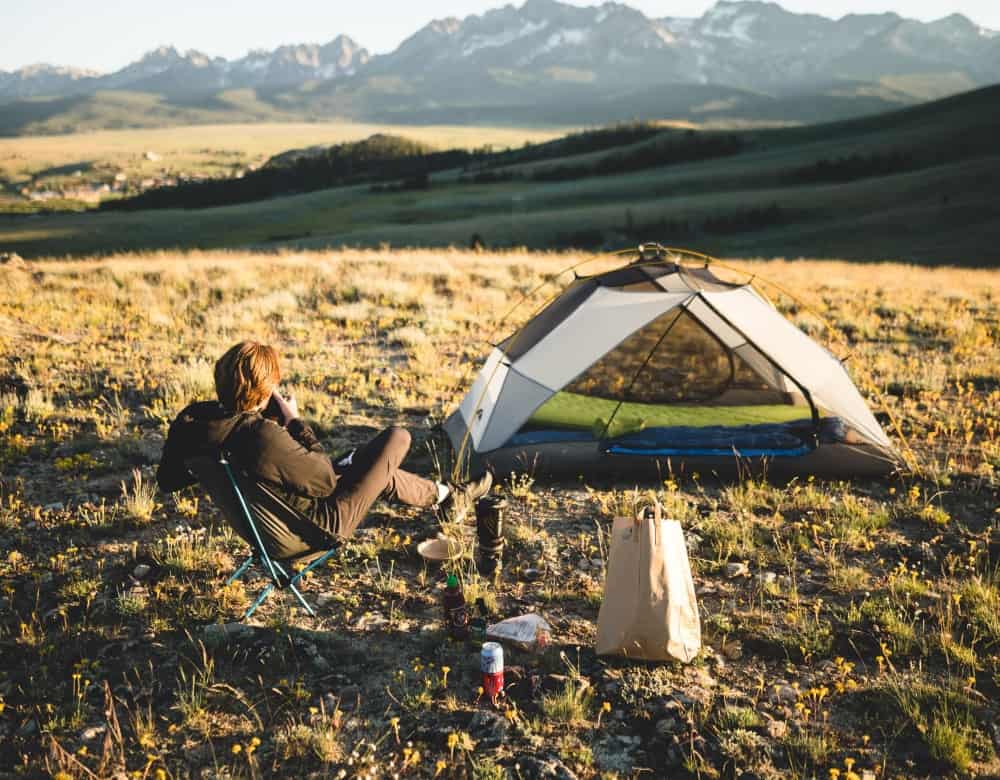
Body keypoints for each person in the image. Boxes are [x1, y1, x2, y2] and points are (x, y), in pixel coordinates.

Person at [157, 341, 492, 539]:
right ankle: (450, 497)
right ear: (262, 393)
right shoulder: (262, 437)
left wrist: (262, 420)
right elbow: (325, 481)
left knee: (370, 465)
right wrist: (294, 422)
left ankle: (447, 497)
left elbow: (169, 479)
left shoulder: (195, 422)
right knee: (397, 438)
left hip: (269, 524)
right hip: (316, 526)